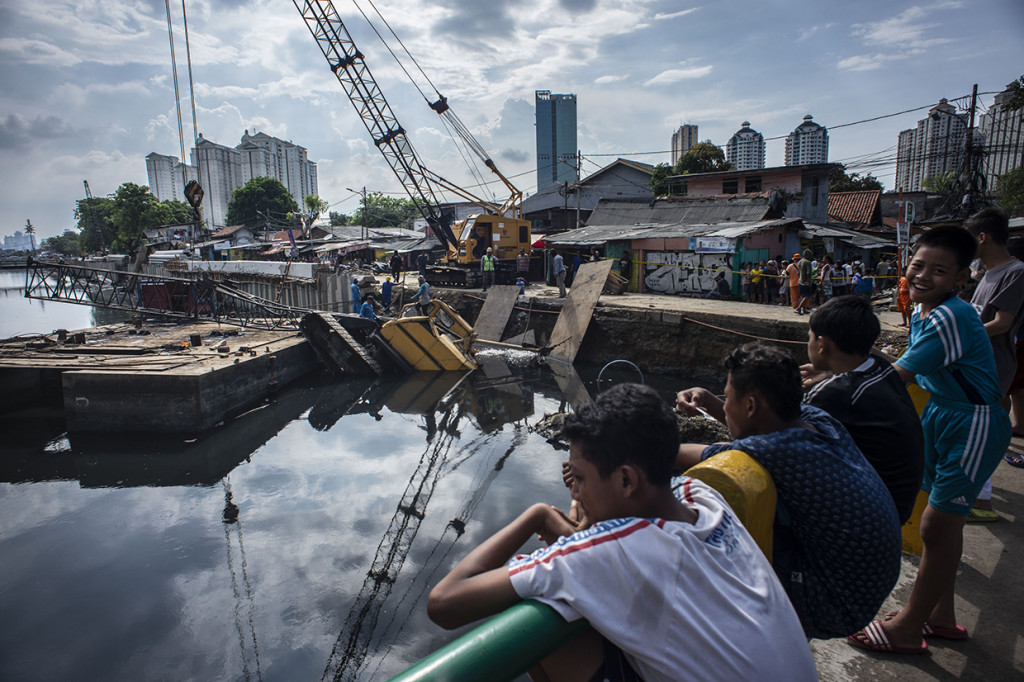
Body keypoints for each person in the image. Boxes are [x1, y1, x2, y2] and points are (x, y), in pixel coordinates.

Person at [428, 383, 818, 682]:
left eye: (579, 478)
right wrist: (586, 497)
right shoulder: (704, 498)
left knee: (540, 608)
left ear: (627, 480)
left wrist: (534, 516)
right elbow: (603, 524)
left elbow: (444, 604)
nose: (574, 490)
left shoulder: (604, 552)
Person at [849, 224, 1011, 655]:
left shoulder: (949, 316)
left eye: (938, 271)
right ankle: (939, 615)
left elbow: (895, 379)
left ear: (961, 278)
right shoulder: (927, 310)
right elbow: (905, 365)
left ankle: (908, 626)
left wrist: (832, 383)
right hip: (941, 412)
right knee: (942, 527)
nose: (922, 276)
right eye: (917, 265)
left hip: (970, 423)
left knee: (936, 525)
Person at [676, 342, 902, 639]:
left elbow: (696, 453)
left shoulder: (774, 452)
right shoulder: (817, 420)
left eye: (728, 397)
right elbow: (751, 425)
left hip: (835, 607)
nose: (725, 404)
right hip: (872, 582)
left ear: (752, 406)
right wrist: (710, 401)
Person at [801, 296, 924, 523]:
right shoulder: (882, 368)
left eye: (809, 337)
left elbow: (777, 433)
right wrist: (832, 373)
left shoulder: (836, 393)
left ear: (822, 344)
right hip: (899, 502)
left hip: (867, 513)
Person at [965, 208, 1024, 510]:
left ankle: (981, 500)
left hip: (993, 364)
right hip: (975, 363)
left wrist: (962, 337)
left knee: (984, 435)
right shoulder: (988, 273)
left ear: (983, 237)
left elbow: (1002, 322)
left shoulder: (1016, 272)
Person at [795, 248, 813, 315]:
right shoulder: (808, 262)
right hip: (806, 281)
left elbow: (798, 272)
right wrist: (808, 281)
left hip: (800, 281)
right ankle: (799, 308)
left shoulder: (800, 261)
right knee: (807, 296)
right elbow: (808, 273)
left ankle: (804, 310)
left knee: (802, 296)